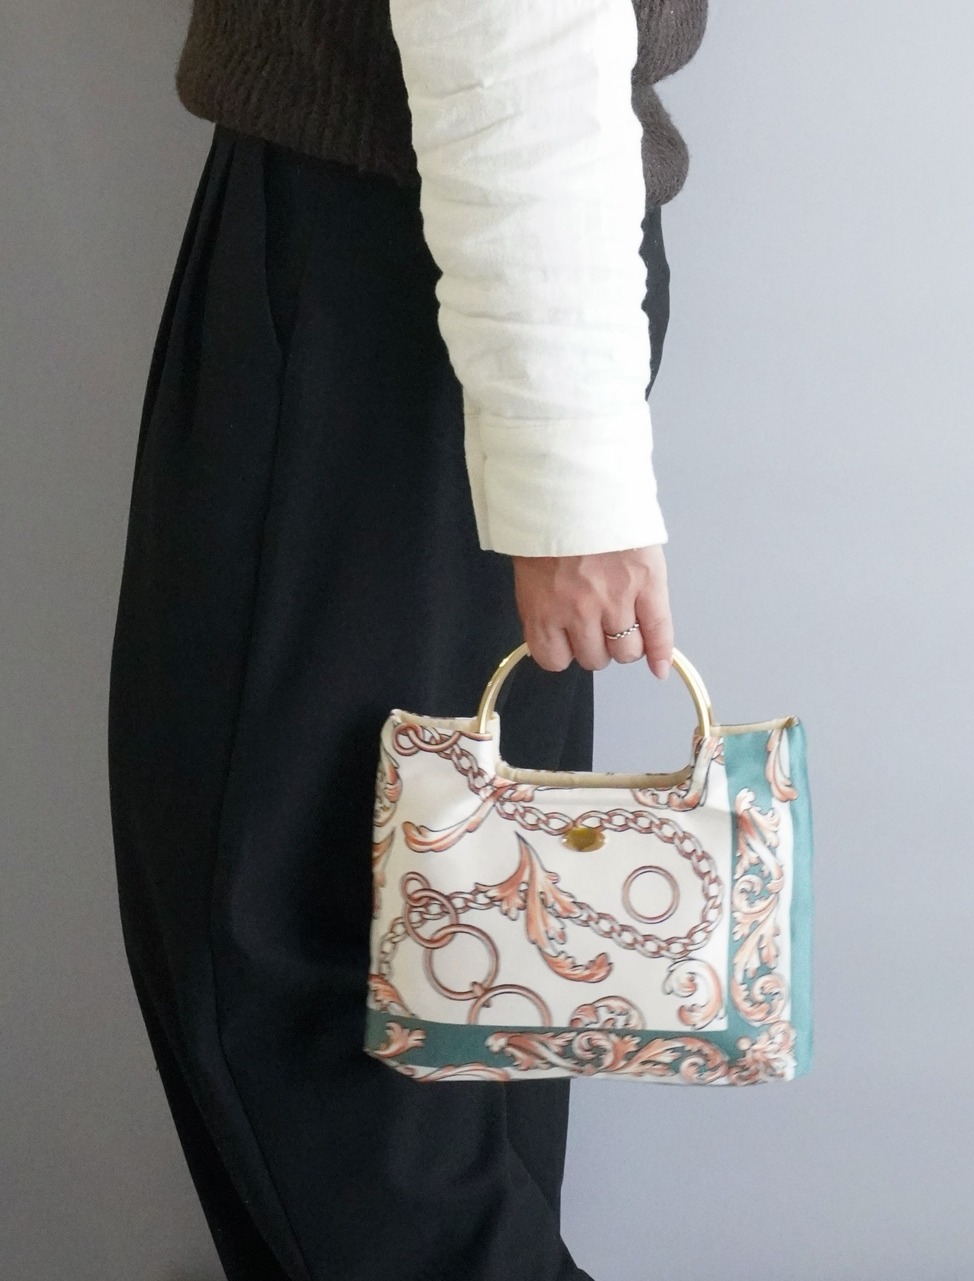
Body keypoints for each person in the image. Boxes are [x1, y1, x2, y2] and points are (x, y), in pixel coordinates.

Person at [107, 0, 706, 1277]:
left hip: (405, 253)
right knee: (454, 971)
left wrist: (566, 468)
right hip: (460, 244)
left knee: (307, 951)